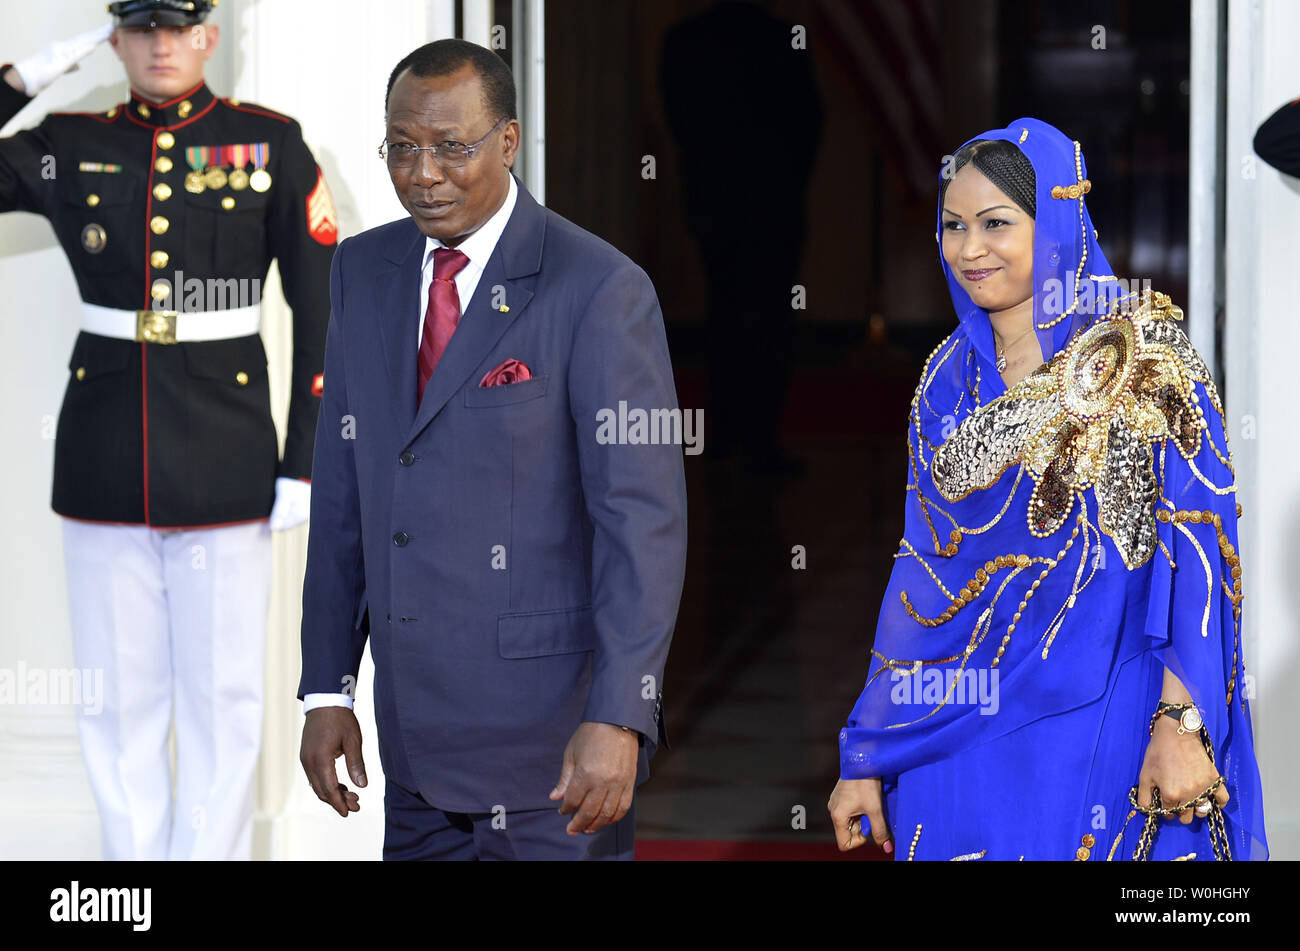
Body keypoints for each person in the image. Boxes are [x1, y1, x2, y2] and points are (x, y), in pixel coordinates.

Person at [827, 118, 1267, 861]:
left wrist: (1180, 722)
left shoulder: (1142, 354)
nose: (969, 249)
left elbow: (1197, 549)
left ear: (1058, 218)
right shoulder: (946, 379)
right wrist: (870, 747)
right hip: (958, 733)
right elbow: (922, 571)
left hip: (1109, 719)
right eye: (953, 225)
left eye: (996, 223)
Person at [296, 39, 687, 861]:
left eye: (451, 147)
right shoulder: (362, 272)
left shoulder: (598, 287)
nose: (422, 172)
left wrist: (620, 713)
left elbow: (639, 524)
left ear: (508, 142)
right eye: (402, 146)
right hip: (413, 755)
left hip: (555, 756)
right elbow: (343, 492)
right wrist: (326, 687)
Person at [0, 0, 335, 859]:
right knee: (116, 698)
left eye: (178, 27)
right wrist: (27, 77)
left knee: (222, 699)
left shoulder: (270, 142)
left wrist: (304, 461)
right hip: (105, 455)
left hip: (227, 457)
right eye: (140, 28)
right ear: (114, 38)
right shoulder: (69, 144)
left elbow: (322, 310)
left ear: (209, 37)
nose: (160, 45)